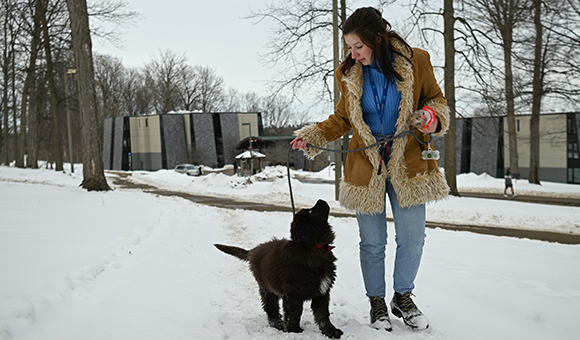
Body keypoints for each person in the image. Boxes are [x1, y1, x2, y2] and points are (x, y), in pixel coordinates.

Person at [290, 7, 449, 332]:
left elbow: (436, 99)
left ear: (377, 38)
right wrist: (314, 135)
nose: (353, 53)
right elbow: (342, 118)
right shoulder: (348, 73)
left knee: (412, 239)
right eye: (349, 47)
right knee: (373, 242)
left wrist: (432, 118)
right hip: (366, 166)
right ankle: (376, 302)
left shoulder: (416, 60)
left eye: (357, 46)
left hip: (409, 163)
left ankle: (402, 296)